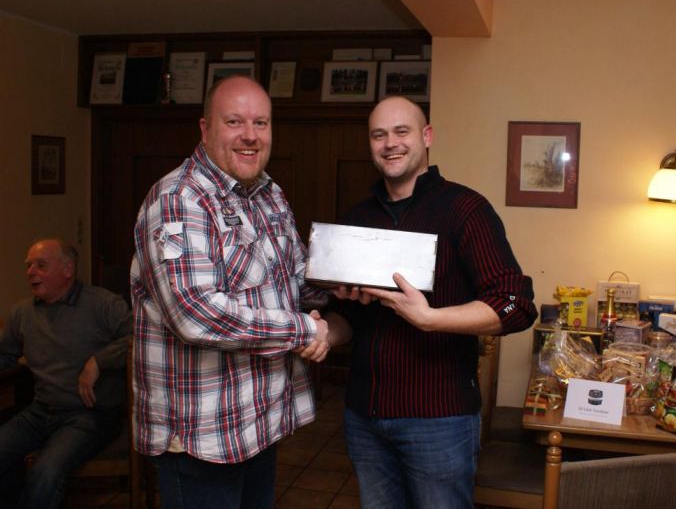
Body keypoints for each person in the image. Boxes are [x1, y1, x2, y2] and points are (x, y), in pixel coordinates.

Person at [323, 96, 537, 508]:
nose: (390, 143)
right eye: (379, 135)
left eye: (401, 131)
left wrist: (430, 318)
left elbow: (516, 303)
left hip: (439, 420)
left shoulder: (466, 209)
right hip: (364, 417)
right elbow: (348, 316)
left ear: (427, 136)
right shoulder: (357, 219)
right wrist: (321, 333)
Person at [130, 75, 330, 509]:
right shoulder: (179, 199)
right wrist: (303, 331)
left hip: (257, 425)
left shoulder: (268, 193)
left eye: (261, 123)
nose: (250, 135)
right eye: (234, 121)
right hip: (202, 438)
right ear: (205, 129)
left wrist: (349, 283)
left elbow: (295, 278)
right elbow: (195, 313)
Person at [0, 239, 132, 509]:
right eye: (28, 266)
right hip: (41, 411)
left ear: (67, 270)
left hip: (90, 415)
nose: (30, 272)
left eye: (40, 265)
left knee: (46, 471)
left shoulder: (103, 304)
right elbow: (5, 355)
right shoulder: (23, 313)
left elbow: (140, 336)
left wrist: (98, 361)